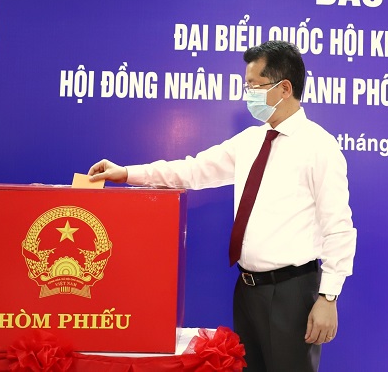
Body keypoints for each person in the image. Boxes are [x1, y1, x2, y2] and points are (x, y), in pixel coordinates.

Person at [88, 41, 356, 372]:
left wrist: (328, 297)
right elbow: (191, 170)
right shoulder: (250, 142)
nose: (249, 95)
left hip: (292, 292)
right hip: (247, 290)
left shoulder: (319, 147)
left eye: (255, 86)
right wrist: (127, 173)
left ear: (284, 88)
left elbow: (338, 227)